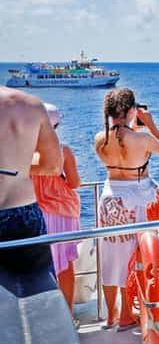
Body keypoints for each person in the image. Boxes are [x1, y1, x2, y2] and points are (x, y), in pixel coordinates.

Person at [0, 86, 77, 344]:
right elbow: (53, 165)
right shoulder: (31, 104)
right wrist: (17, 165)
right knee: (39, 293)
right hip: (24, 213)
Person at [93, 88, 159, 331]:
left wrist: (132, 127)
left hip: (109, 200)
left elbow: (121, 142)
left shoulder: (100, 138)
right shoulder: (142, 138)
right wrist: (151, 124)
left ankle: (111, 316)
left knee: (110, 257)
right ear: (131, 111)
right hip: (134, 199)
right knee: (130, 258)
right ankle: (127, 316)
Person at [31, 103, 81, 316]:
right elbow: (75, 183)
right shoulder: (63, 151)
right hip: (63, 212)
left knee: (40, 267)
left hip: (36, 213)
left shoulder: (23, 153)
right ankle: (68, 315)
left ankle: (44, 316)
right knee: (66, 266)